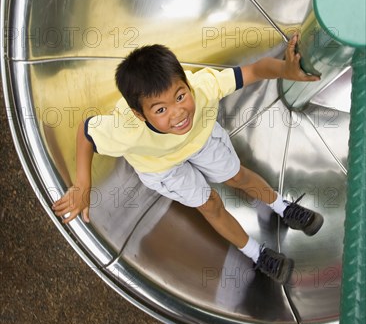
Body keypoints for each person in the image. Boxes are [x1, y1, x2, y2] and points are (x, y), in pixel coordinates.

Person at [53, 34, 323, 284]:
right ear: (140, 114)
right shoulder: (126, 129)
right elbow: (86, 132)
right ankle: (257, 254)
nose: (178, 113)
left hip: (200, 139)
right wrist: (83, 183)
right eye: (160, 109)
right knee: (210, 204)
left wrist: (285, 70)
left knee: (237, 176)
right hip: (161, 166)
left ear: (186, 84)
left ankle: (282, 207)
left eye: (180, 96)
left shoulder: (202, 87)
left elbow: (253, 70)